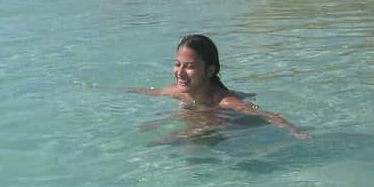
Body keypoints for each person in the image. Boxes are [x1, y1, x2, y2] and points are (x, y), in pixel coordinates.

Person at [131, 34, 307, 139]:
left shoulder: (225, 101)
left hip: (232, 129)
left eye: (190, 66)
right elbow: (149, 91)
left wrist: (295, 132)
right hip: (201, 116)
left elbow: (267, 116)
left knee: (197, 132)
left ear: (210, 70)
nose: (180, 72)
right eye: (178, 64)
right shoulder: (177, 92)